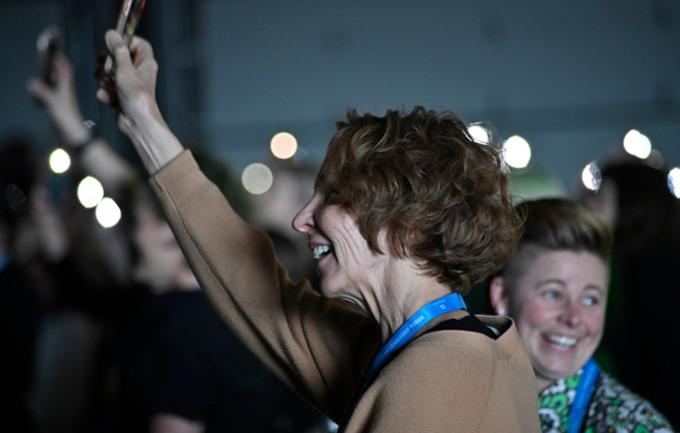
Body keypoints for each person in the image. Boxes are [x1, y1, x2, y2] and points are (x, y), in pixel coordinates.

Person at [98, 30, 541, 433]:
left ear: (401, 226)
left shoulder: (436, 377)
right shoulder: (422, 347)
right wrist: (144, 120)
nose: (300, 220)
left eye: (331, 197)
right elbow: (255, 291)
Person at [30, 52, 319, 433]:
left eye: (139, 223)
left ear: (174, 237)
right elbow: (148, 195)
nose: (129, 233)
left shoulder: (177, 331)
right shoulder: (249, 311)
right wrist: (74, 126)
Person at [488, 198, 674, 433]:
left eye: (590, 299)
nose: (573, 318)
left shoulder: (635, 426)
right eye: (553, 294)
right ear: (502, 295)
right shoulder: (448, 394)